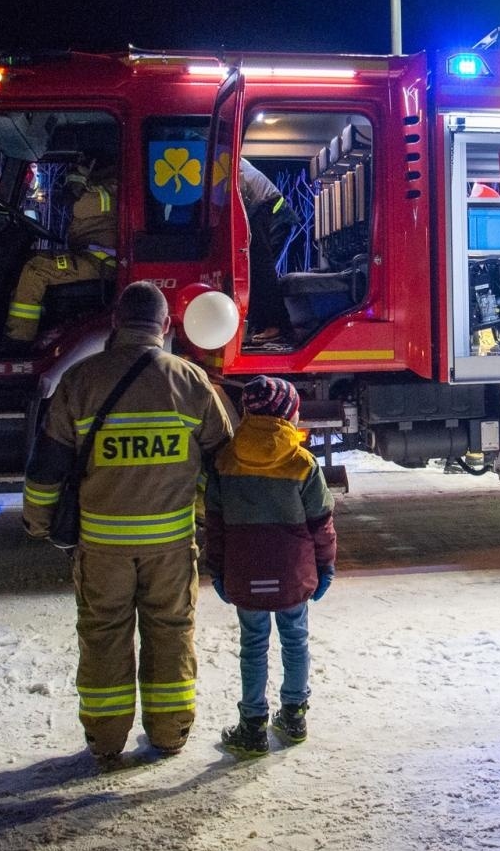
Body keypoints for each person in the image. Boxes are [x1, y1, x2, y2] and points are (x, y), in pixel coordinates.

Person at [22, 281, 232, 766]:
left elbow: (47, 470)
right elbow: (222, 464)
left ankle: (106, 739)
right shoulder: (192, 382)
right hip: (170, 549)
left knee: (103, 637)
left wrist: (38, 523)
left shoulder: (80, 381)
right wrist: (210, 519)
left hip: (102, 549)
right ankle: (170, 732)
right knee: (171, 632)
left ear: (116, 322)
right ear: (165, 326)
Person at [204, 376, 338, 757]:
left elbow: (215, 522)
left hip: (244, 572)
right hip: (293, 574)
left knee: (252, 645)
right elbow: (321, 523)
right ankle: (294, 716)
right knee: (295, 640)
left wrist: (219, 570)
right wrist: (325, 566)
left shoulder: (226, 461)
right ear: (289, 414)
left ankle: (252, 726)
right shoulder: (301, 463)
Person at [3, 158, 121, 346]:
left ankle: (18, 340)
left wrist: (78, 178)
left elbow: (72, 200)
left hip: (99, 263)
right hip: (94, 258)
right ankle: (37, 327)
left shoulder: (107, 191)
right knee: (34, 258)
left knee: (36, 270)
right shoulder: (106, 188)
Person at [237, 158, 303, 344]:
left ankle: (277, 326)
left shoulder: (220, 153)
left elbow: (238, 189)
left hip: (268, 209)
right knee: (256, 271)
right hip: (265, 208)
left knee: (261, 269)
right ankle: (264, 325)